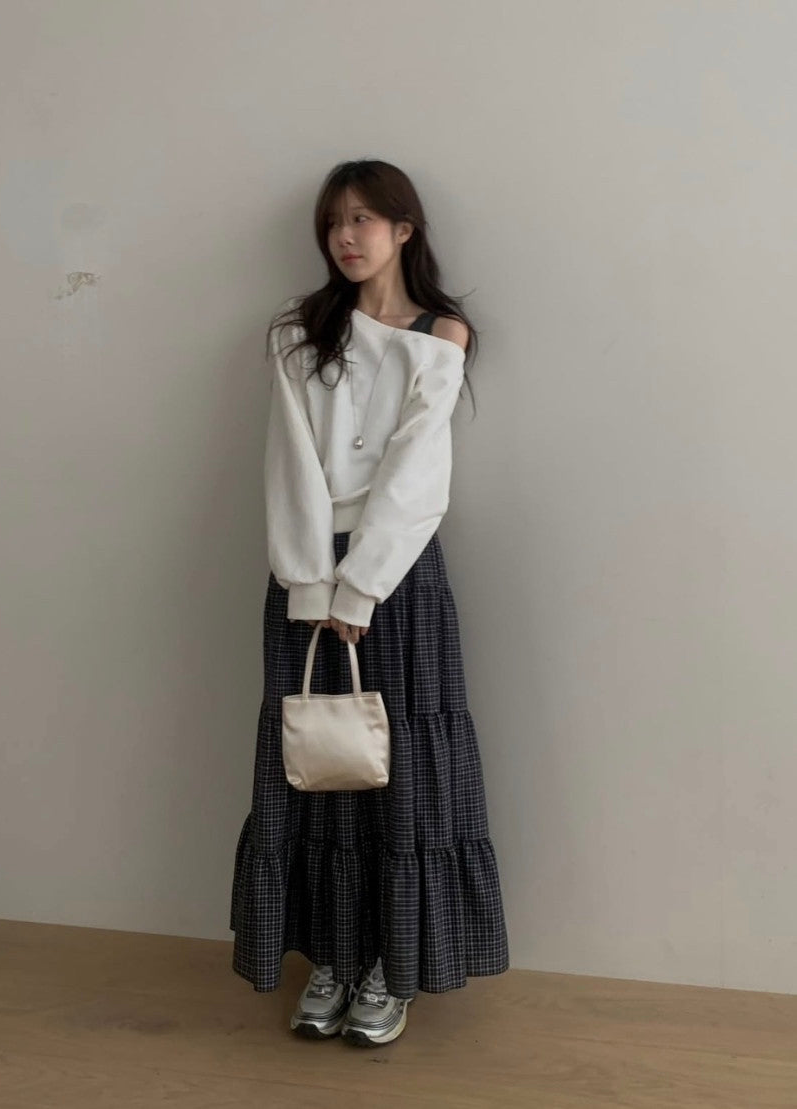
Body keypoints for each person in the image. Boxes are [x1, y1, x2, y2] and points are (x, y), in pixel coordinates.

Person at [230, 159, 509, 1047]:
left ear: (403, 228)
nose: (345, 237)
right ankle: (335, 959)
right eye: (333, 222)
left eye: (362, 219)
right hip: (304, 570)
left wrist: (362, 585)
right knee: (317, 764)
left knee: (403, 769)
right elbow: (289, 465)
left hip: (401, 572)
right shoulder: (298, 332)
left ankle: (392, 964)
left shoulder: (442, 333)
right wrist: (316, 582)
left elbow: (420, 473)